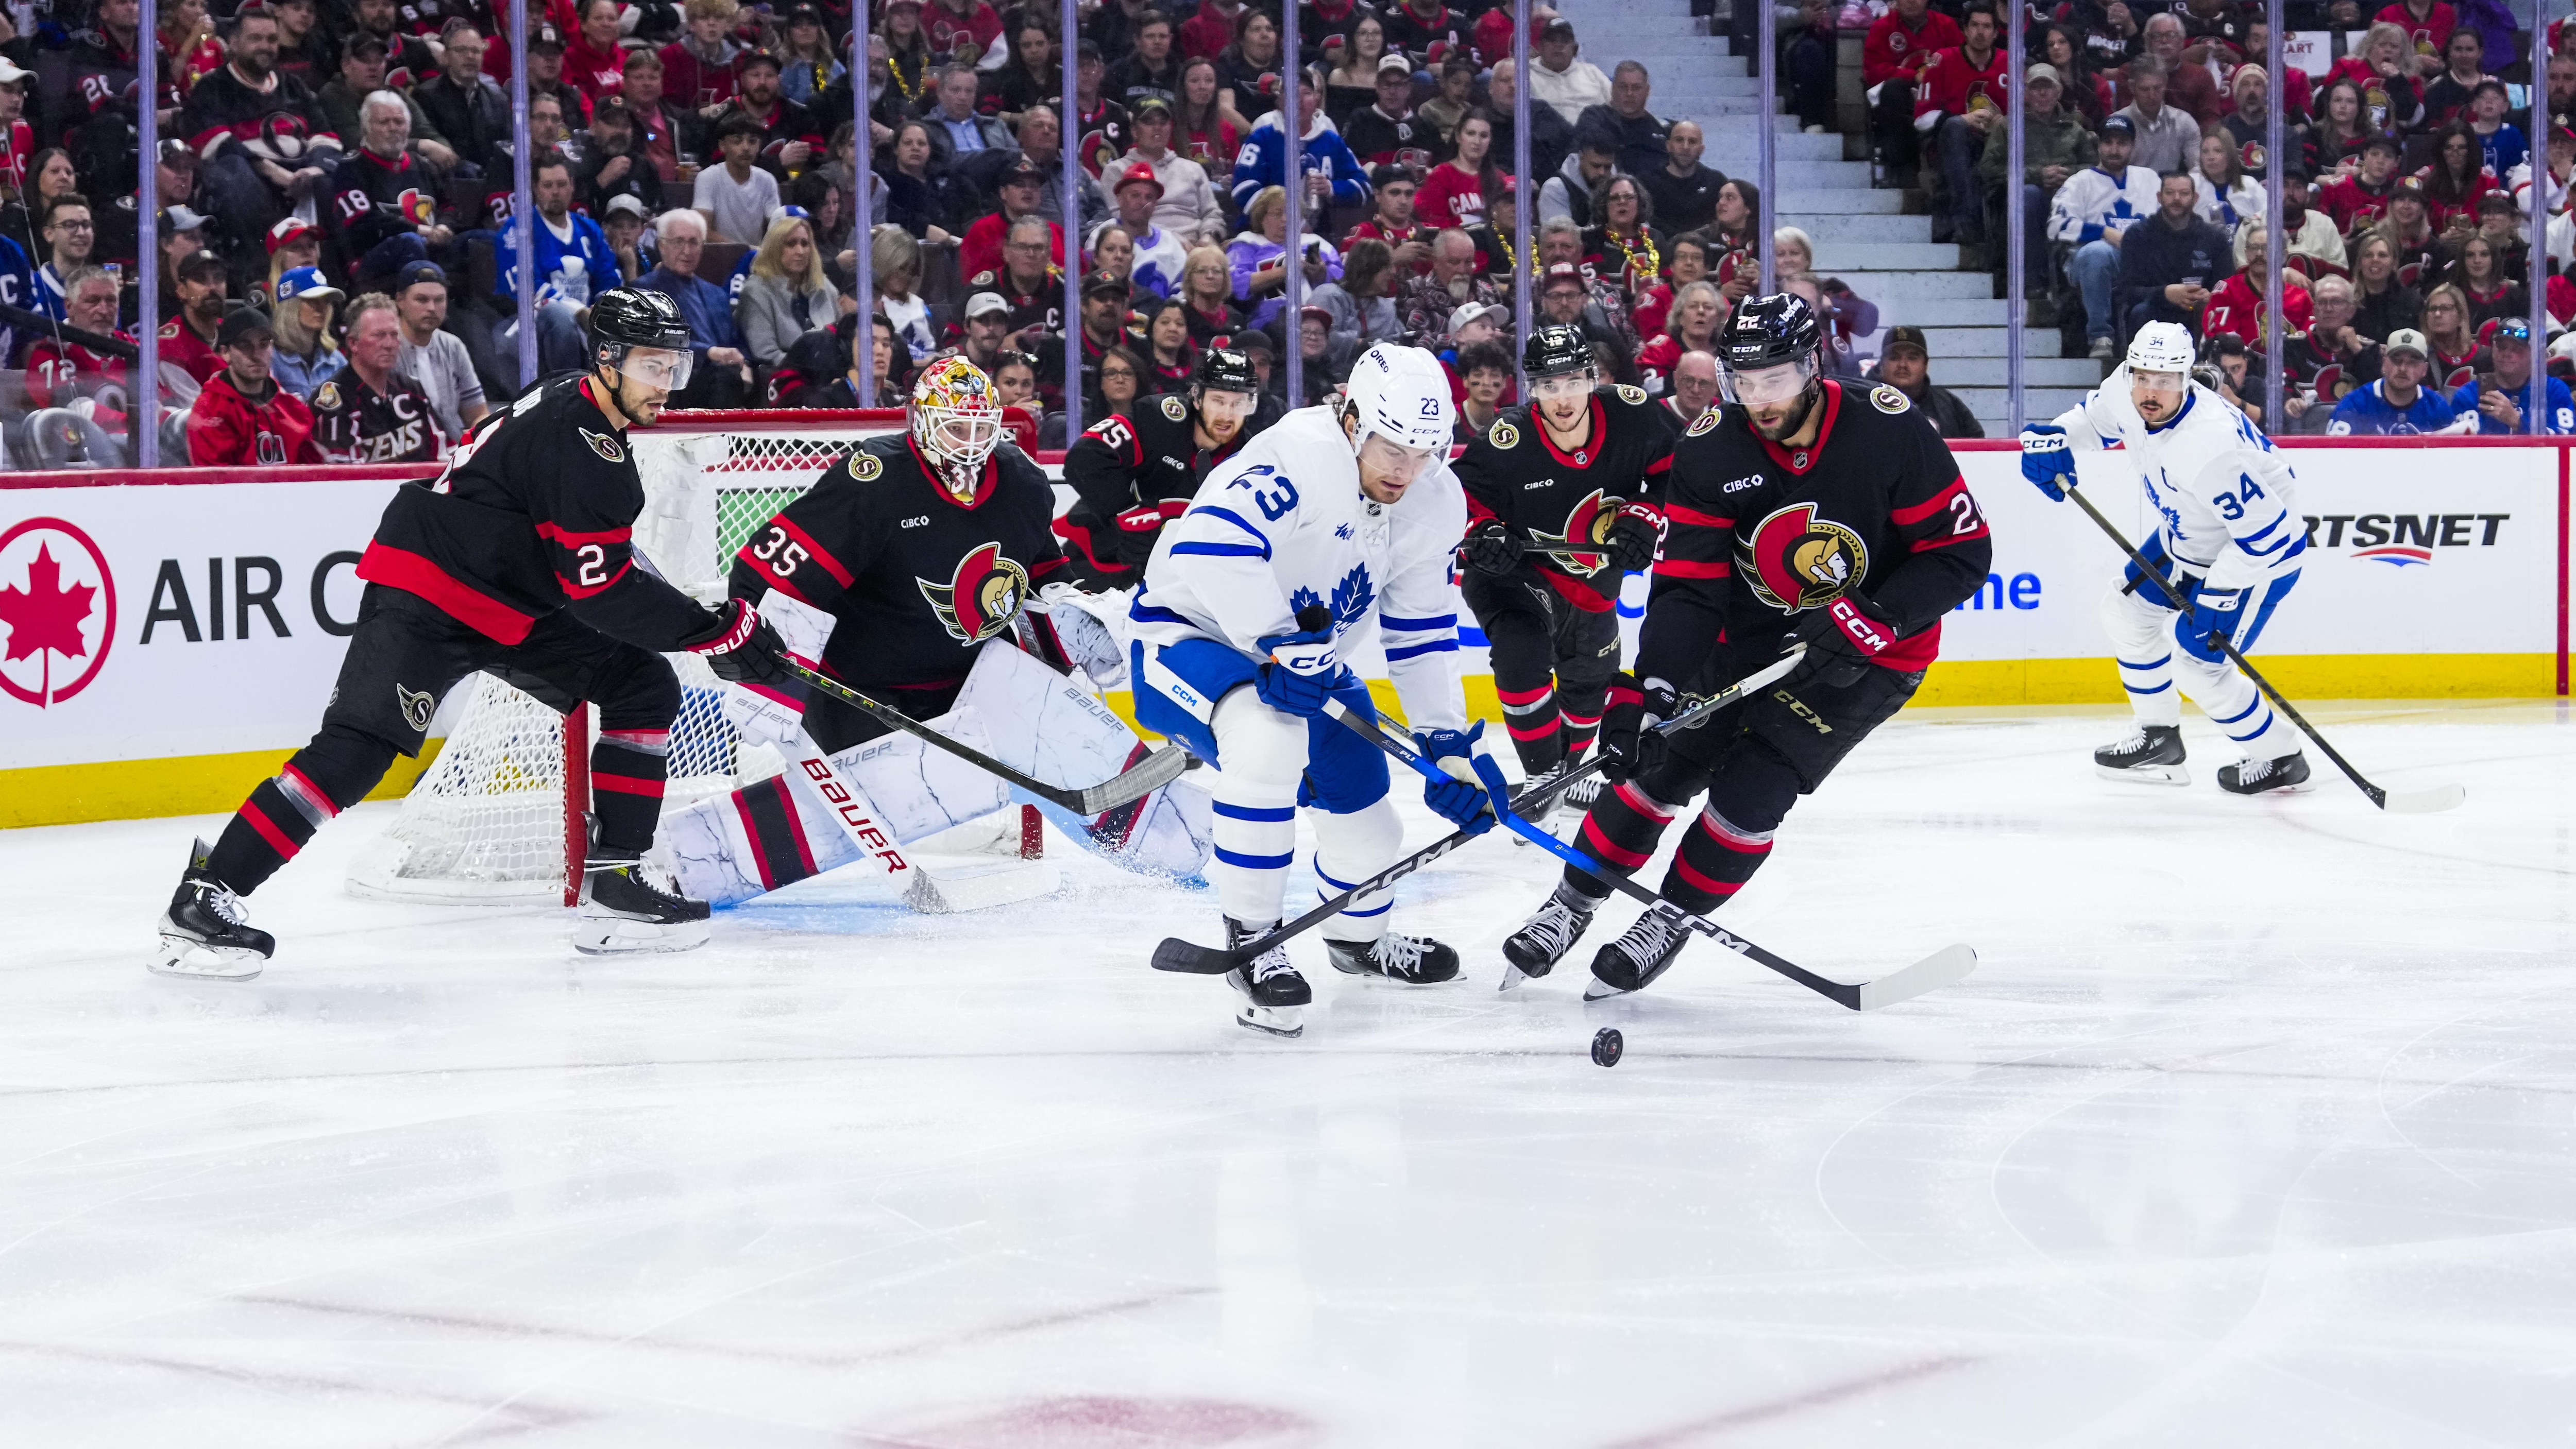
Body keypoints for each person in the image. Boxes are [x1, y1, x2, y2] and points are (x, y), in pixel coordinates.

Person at [151, 292, 789, 980]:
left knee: (641, 685)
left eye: (675, 368)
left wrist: (713, 628)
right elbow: (602, 593)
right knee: (359, 752)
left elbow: (600, 566)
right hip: (429, 592)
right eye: (652, 367)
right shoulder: (582, 442)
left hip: (507, 597)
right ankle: (206, 895)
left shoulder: (580, 408)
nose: (665, 386)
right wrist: (713, 630)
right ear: (607, 359)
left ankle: (614, 886)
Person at [1501, 294, 1992, 997]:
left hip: (1874, 653)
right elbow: (1688, 589)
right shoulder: (1710, 444)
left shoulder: (1887, 429)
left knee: (1752, 792)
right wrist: (1653, 685)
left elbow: (1962, 551)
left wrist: (1874, 617)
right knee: (1658, 770)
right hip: (1745, 636)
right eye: (1744, 381)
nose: (1760, 400)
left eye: (1777, 380)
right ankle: (1570, 905)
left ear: (1814, 365)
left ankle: (1668, 918)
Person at [1128, 342, 1497, 1033]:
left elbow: (1418, 633)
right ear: (1353, 417)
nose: (1406, 471)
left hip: (1305, 665)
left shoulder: (1435, 498)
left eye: (1425, 451)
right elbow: (1209, 546)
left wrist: (1448, 746)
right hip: (1186, 639)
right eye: (1393, 447)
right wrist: (1277, 638)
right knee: (1268, 739)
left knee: (1371, 827)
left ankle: (1356, 942)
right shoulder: (1298, 454)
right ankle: (1253, 942)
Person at [2021, 320, 2310, 795]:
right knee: (2126, 610)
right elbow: (2094, 421)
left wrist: (2219, 594)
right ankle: (2159, 739)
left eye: (2166, 380)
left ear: (2186, 378)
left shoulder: (2209, 446)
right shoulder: (2126, 387)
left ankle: (2280, 756)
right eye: (2143, 377)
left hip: (2257, 560)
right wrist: (2054, 437)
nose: (2150, 391)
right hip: (2189, 537)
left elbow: (2268, 536)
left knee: (2198, 666)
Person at [1454, 325, 1674, 820]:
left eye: (1573, 380)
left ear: (1593, 377)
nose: (1562, 397)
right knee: (1521, 647)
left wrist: (1647, 512)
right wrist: (1483, 530)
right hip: (1517, 573)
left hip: (1594, 585)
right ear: (1530, 389)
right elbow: (1458, 497)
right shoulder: (1507, 439)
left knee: (1588, 686)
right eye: (1548, 385)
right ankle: (1543, 778)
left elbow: (1674, 470)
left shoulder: (1634, 415)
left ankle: (1561, 778)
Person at [1057, 347, 1273, 586]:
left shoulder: (1248, 457)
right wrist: (1126, 513)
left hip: (1178, 579)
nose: (1227, 415)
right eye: (1218, 401)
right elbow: (1084, 457)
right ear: (1198, 397)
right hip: (1102, 556)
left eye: (1238, 404)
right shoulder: (1160, 419)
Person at [637, 210, 756, 406]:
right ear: (662, 246)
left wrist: (747, 364)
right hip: (674, 378)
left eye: (694, 242)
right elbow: (656, 341)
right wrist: (709, 352)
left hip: (723, 375)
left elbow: (737, 340)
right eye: (678, 242)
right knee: (725, 376)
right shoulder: (644, 291)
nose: (687, 250)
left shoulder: (716, 294)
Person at [1914, 3, 2009, 248]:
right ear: (1965, 30)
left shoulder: (2009, 63)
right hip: (1954, 144)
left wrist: (2003, 123)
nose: (1981, 32)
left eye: (1987, 26)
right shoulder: (1942, 60)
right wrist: (1961, 119)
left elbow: (2026, 114)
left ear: (1996, 33)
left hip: (1997, 145)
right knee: (1956, 127)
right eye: (1975, 25)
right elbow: (1921, 119)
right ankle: (1965, 222)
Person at [185, 304, 326, 466]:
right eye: (245, 345)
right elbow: (216, 484)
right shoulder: (210, 412)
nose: (256, 355)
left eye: (264, 344)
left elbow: (313, 475)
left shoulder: (292, 408)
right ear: (225, 353)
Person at [310, 293, 441, 463]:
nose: (389, 344)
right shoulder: (332, 400)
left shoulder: (412, 389)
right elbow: (342, 478)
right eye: (378, 335)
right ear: (353, 344)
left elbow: (444, 455)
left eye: (394, 335)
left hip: (419, 487)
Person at [1229, 69, 1369, 221]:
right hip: (1265, 234)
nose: (1299, 100)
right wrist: (1282, 219)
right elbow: (1242, 188)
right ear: (1280, 100)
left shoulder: (1331, 140)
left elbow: (1364, 186)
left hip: (1317, 236)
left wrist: (1331, 188)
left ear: (1317, 100)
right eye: (1292, 93)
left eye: (1307, 93)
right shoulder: (1262, 138)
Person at [2119, 170, 2237, 338]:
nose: (2176, 199)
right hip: (2155, 310)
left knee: (2217, 312)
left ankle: (2210, 363)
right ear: (2159, 197)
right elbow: (2127, 291)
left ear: (2195, 198)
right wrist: (2165, 293)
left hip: (2196, 312)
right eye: (2170, 193)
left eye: (2184, 193)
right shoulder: (2137, 235)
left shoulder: (2215, 238)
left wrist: (2209, 296)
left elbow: (2226, 288)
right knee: (2140, 312)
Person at [388, 262, 486, 448]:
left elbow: (477, 415)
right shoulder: (386, 347)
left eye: (439, 300)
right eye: (422, 300)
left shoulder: (453, 346)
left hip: (454, 457)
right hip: (404, 458)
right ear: (400, 301)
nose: (432, 308)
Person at [1864, 0, 1962, 180]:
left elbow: (1960, 63)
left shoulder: (1946, 26)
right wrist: (1913, 76)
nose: (1911, 1)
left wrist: (1933, 78)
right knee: (1893, 91)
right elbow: (1873, 70)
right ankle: (1901, 168)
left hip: (1938, 95)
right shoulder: (1882, 27)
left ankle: (1945, 173)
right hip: (1900, 96)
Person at [734, 213, 841, 368]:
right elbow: (766, 354)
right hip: (788, 376)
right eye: (791, 244)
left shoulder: (824, 286)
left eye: (805, 244)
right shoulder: (756, 292)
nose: (800, 251)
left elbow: (843, 340)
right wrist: (814, 370)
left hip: (831, 372)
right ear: (774, 249)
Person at [2451, 317, 2574, 435]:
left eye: (2517, 349)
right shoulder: (2468, 396)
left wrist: (2517, 421)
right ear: (2493, 349)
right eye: (2502, 347)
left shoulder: (2553, 391)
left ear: (2534, 353)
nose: (2507, 354)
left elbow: (2566, 439)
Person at [2329, 326, 2460, 432]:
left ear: (2424, 370)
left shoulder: (2437, 407)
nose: (2403, 368)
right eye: (2397, 361)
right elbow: (2334, 457)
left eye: (2413, 363)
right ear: (2384, 364)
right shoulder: (2355, 405)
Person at [1873, 324, 1984, 437]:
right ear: (1882, 364)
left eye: (1912, 358)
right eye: (1894, 357)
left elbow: (1977, 447)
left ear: (1926, 365)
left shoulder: (1949, 405)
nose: (1903, 365)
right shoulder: (1864, 403)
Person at [693, 113, 783, 245]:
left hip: (757, 259)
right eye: (737, 141)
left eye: (752, 141)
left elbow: (778, 229)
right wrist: (743, 251)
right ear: (723, 146)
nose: (746, 148)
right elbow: (702, 230)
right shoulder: (708, 178)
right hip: (718, 257)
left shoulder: (767, 180)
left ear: (759, 146)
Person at [2111, 55, 2201, 177]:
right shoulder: (2116, 124)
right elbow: (2109, 172)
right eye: (2145, 89)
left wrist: (2182, 188)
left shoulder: (2184, 122)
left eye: (2157, 88)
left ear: (2165, 84)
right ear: (2132, 87)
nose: (2152, 95)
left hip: (2173, 191)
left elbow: (2198, 167)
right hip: (2129, 192)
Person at [267, 266, 347, 400]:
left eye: (326, 301)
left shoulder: (335, 360)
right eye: (312, 301)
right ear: (290, 306)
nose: (321, 309)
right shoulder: (270, 358)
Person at [1645, 120, 1726, 235]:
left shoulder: (1716, 182)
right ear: (1669, 146)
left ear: (1701, 150)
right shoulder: (1647, 182)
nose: (1685, 147)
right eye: (1679, 140)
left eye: (1692, 142)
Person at [1529, 16, 1612, 125]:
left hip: (1593, 138)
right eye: (1552, 40)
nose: (1558, 45)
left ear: (1574, 48)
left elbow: (1618, 106)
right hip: (1547, 139)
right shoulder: (1525, 76)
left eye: (1565, 41)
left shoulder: (1593, 73)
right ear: (1540, 47)